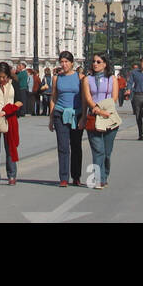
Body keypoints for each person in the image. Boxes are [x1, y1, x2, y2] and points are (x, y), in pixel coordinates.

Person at [83, 54, 121, 188]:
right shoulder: (87, 79)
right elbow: (88, 97)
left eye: (98, 61)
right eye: (93, 61)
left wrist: (104, 110)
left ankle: (105, 175)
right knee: (98, 150)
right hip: (94, 116)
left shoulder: (112, 79)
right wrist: (96, 109)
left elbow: (114, 97)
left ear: (105, 64)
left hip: (109, 116)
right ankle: (98, 179)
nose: (95, 64)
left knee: (107, 152)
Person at [48, 51, 85, 187]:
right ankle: (63, 177)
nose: (64, 65)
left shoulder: (80, 77)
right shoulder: (57, 78)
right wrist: (51, 118)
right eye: (62, 62)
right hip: (60, 113)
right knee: (63, 146)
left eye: (66, 62)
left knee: (76, 146)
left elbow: (84, 98)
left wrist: (84, 117)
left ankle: (76, 176)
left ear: (72, 63)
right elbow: (53, 98)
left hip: (76, 114)